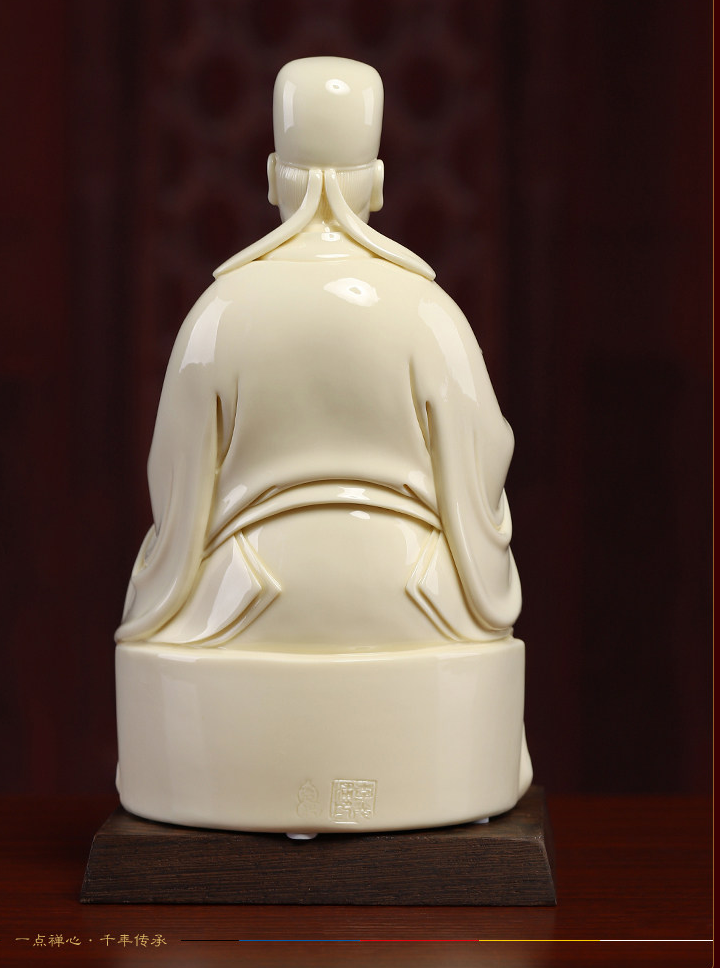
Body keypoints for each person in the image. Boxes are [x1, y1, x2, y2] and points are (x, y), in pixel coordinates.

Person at [116, 56, 523, 656]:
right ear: (377, 182)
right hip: (417, 596)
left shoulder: (219, 314)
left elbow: (174, 482)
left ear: (274, 177)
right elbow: (486, 454)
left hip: (242, 596)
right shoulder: (429, 313)